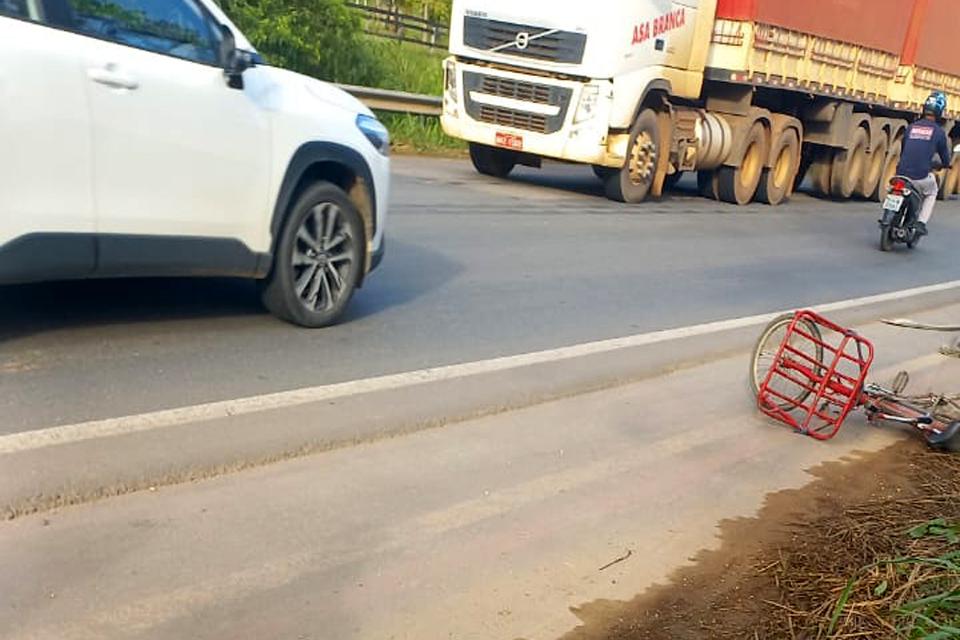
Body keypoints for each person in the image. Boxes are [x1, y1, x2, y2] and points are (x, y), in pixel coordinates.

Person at [896, 91, 953, 236]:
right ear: (940, 111)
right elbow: (944, 156)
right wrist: (947, 165)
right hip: (920, 176)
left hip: (901, 173)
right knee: (932, 191)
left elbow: (904, 149)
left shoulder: (911, 127)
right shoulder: (939, 133)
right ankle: (921, 223)